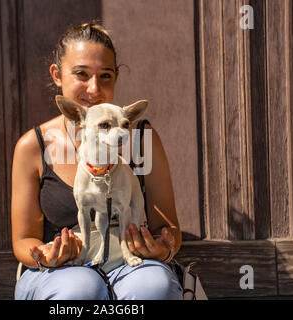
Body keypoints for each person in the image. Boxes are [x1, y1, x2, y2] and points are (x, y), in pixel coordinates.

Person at [12, 22, 183, 300]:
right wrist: (46, 254)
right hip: (62, 272)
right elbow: (23, 240)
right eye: (81, 74)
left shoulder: (141, 140)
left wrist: (163, 247)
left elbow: (168, 229)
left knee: (154, 288)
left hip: (130, 265)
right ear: (57, 75)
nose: (94, 88)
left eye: (105, 76)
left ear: (115, 77)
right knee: (79, 291)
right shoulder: (34, 146)